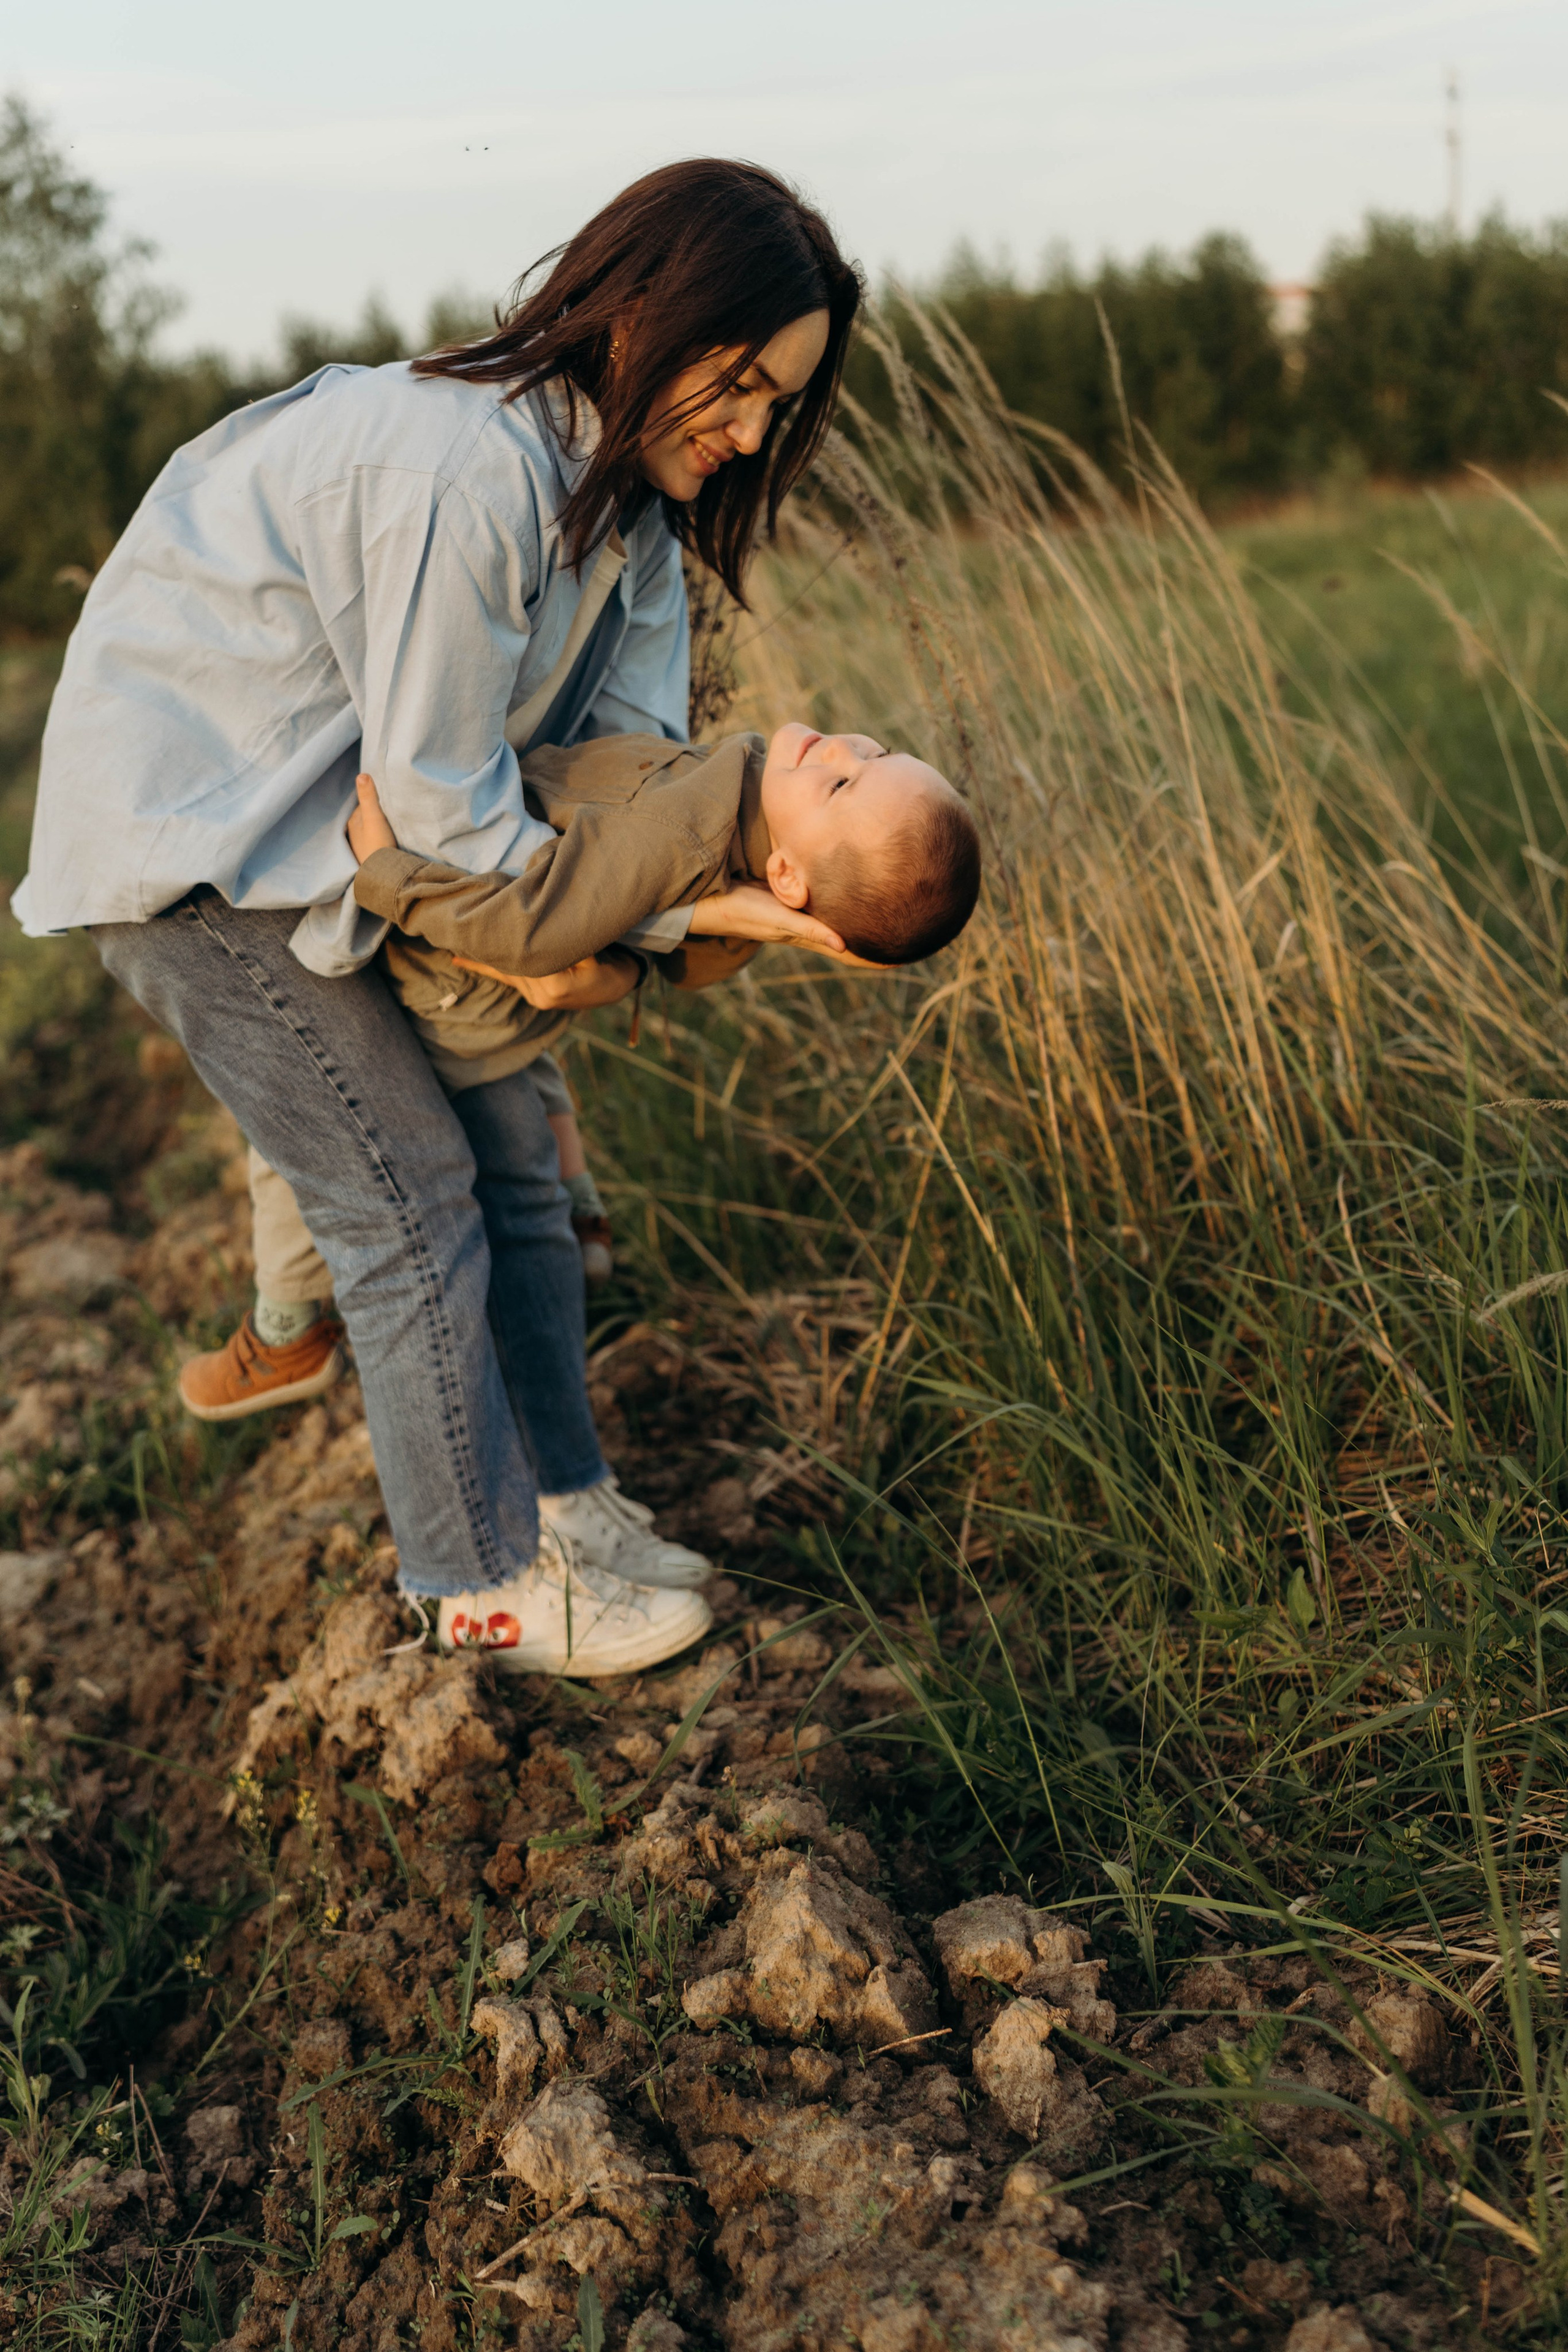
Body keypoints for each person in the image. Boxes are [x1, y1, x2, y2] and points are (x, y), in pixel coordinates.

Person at [13, 160, 863, 1678]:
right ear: (642, 315)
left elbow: (616, 805)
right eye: (736, 383)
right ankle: (468, 1584)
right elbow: (457, 826)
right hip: (210, 843)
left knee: (521, 1166)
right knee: (407, 1189)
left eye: (773, 406)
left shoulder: (636, 536)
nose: (748, 431)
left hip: (357, 854)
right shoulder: (465, 473)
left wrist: (704, 922)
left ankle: (569, 1508)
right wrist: (606, 950)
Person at [178, 718, 981, 1451]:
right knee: (526, 1057)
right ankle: (582, 1211)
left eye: (844, 783)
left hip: (460, 979)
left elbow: (528, 930)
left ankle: (288, 1327)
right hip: (515, 1001)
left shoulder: (690, 830)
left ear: (785, 875)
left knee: (297, 1112)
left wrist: (387, 875)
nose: (843, 747)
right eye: (876, 751)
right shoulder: (736, 802)